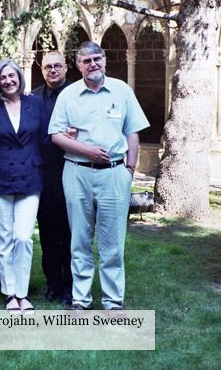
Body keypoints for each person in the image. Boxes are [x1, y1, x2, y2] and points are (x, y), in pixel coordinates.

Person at [48, 41, 149, 311]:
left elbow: (133, 131)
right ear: (78, 66)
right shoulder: (68, 95)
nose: (93, 64)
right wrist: (87, 151)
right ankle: (80, 300)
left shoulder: (121, 90)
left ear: (104, 60)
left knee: (112, 242)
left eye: (97, 59)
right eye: (86, 61)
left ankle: (112, 302)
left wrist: (130, 169)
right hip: (77, 172)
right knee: (79, 239)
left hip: (115, 174)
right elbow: (56, 135)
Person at [0, 59, 43, 314]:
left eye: (11, 76)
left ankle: (23, 293)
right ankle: (10, 294)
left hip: (30, 177)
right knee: (5, 238)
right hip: (0, 178)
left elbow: (45, 138)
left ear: (19, 77)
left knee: (23, 237)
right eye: (3, 77)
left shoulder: (35, 104)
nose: (8, 81)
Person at [31, 51, 73, 305]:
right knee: (47, 232)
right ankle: (52, 284)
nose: (53, 70)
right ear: (42, 70)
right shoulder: (33, 98)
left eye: (57, 66)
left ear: (66, 67)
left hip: (72, 171)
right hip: (44, 174)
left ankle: (70, 286)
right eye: (48, 67)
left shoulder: (78, 93)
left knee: (70, 232)